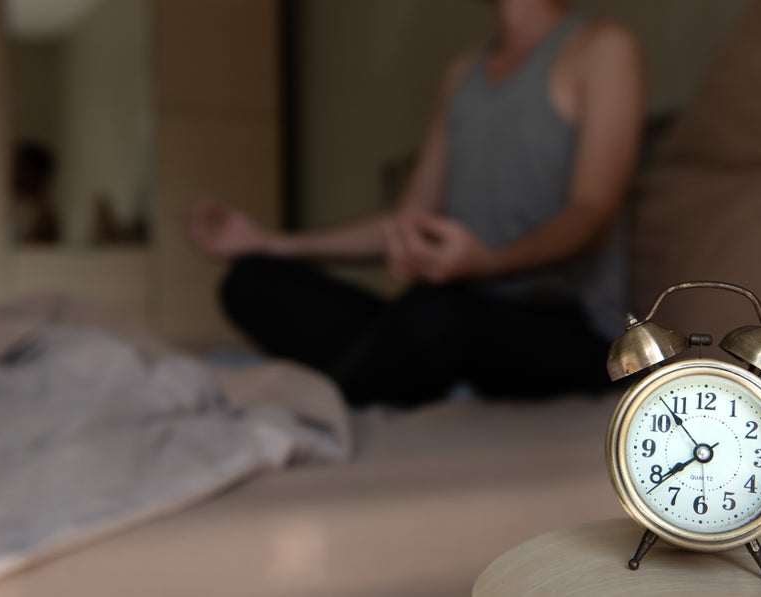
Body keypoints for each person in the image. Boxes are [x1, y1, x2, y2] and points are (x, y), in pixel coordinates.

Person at [187, 0, 643, 408]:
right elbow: (406, 222)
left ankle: (318, 398)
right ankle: (410, 373)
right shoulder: (461, 74)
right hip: (455, 306)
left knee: (433, 314)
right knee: (250, 281)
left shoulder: (602, 48)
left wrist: (487, 263)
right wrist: (268, 242)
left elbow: (591, 213)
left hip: (565, 327)